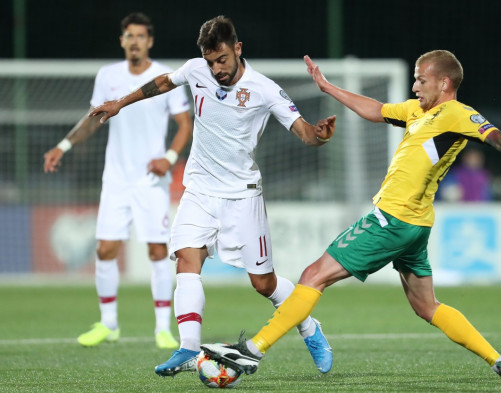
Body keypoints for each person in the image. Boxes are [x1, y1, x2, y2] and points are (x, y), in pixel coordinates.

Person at [201, 50, 501, 386]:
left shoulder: (458, 114)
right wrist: (328, 88)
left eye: (421, 80)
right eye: (414, 78)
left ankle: (252, 349)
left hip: (391, 221)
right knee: (427, 307)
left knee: (314, 276)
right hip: (415, 227)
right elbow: (376, 109)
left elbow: (499, 138)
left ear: (445, 83)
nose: (414, 86)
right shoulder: (417, 112)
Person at [89, 15, 336, 377]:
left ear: (237, 49)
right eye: (210, 62)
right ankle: (188, 348)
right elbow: (162, 82)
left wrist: (322, 135)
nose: (216, 69)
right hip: (200, 189)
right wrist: (120, 103)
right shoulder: (197, 69)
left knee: (263, 283)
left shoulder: (264, 89)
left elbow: (305, 134)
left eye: (222, 60)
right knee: (187, 260)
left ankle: (310, 328)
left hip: (243, 196)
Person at [43, 12, 193, 349]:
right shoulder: (107, 75)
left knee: (157, 250)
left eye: (141, 36)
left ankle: (162, 329)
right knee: (105, 248)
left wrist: (168, 159)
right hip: (116, 178)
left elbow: (185, 124)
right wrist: (63, 145)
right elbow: (93, 120)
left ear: (149, 41)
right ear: (122, 40)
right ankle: (109, 324)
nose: (135, 41)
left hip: (151, 180)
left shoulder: (163, 77)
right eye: (130, 35)